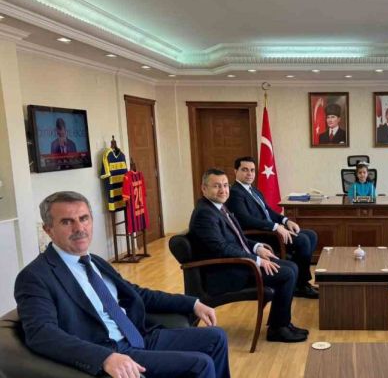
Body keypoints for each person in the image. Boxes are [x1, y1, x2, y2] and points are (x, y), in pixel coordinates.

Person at [14, 191, 230, 378]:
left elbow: (137, 293)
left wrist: (192, 304)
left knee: (216, 337)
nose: (79, 228)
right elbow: (41, 333)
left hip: (139, 336)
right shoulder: (35, 276)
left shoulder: (95, 261)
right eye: (67, 222)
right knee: (200, 364)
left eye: (84, 218)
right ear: (48, 229)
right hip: (111, 349)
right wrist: (104, 357)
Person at [189, 169, 308, 343]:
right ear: (204, 188)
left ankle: (282, 324)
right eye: (216, 186)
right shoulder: (205, 214)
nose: (223, 190)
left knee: (291, 267)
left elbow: (238, 238)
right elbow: (222, 249)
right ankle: (278, 329)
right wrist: (257, 261)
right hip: (226, 272)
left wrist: (257, 247)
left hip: (238, 263)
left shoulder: (218, 207)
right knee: (287, 273)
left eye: (225, 185)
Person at [226, 157, 319, 299]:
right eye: (244, 170)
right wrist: (275, 227)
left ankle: (300, 282)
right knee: (302, 240)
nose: (249, 174)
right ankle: (301, 285)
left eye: (252, 170)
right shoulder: (235, 192)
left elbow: (268, 211)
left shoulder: (253, 190)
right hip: (259, 235)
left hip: (269, 230)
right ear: (235, 171)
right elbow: (245, 220)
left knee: (311, 235)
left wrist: (285, 220)